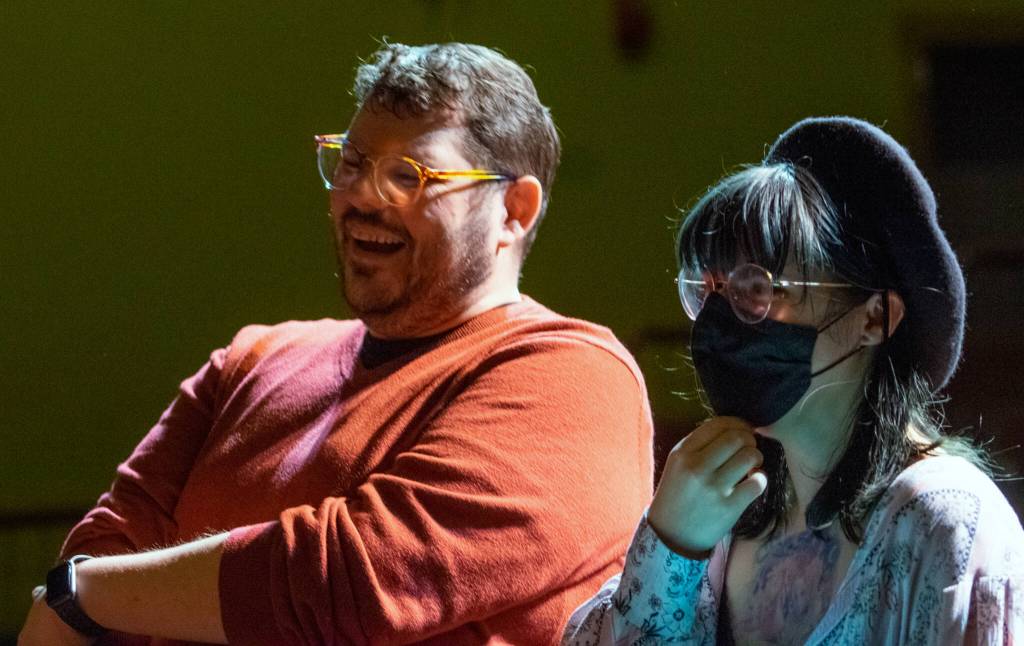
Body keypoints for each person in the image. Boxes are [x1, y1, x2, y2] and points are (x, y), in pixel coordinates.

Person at [19, 42, 655, 646]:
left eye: (409, 174)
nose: (361, 196)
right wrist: (86, 588)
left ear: (514, 209)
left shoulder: (572, 376)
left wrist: (82, 595)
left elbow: (360, 579)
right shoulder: (252, 358)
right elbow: (113, 532)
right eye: (351, 162)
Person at [563, 117, 1024, 644]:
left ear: (874, 317)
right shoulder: (721, 522)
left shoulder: (944, 525)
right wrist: (670, 546)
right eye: (708, 289)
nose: (722, 319)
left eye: (756, 287)